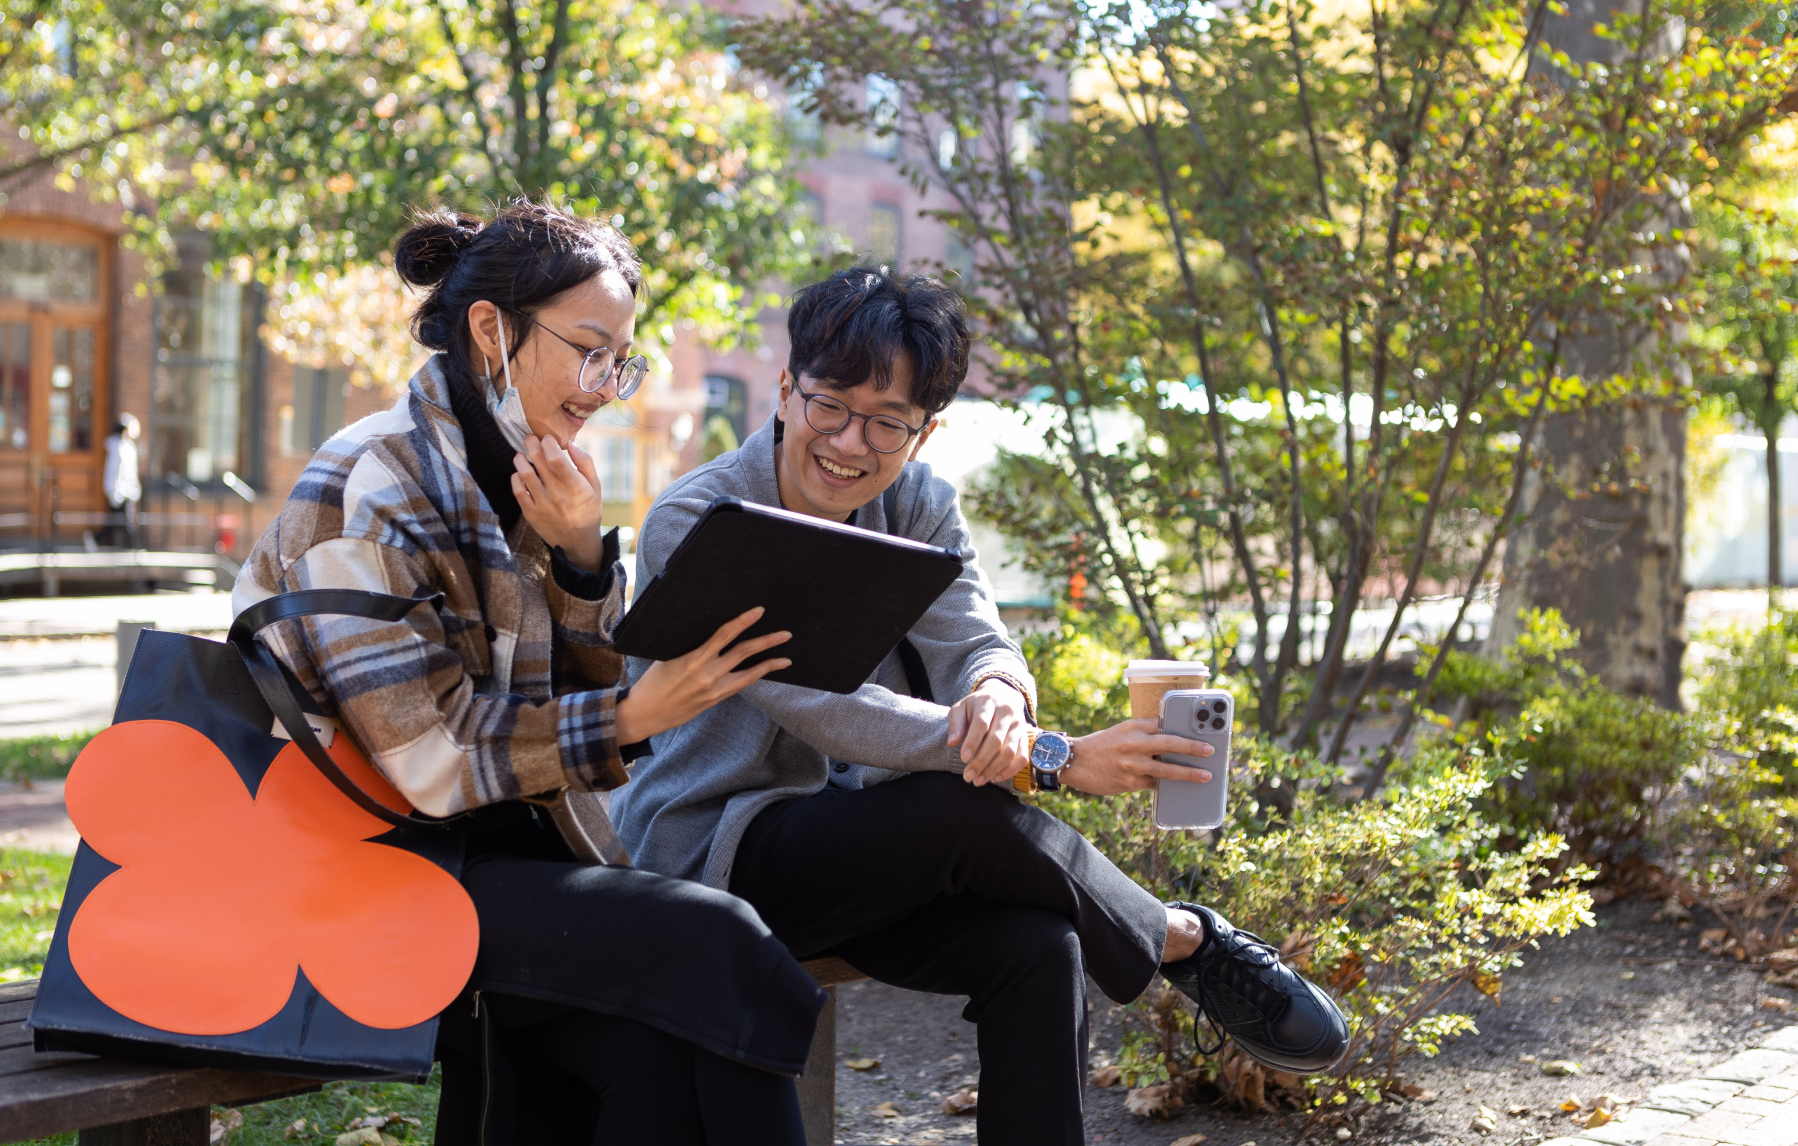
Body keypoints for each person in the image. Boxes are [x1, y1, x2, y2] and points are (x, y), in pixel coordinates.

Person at [612, 266, 1350, 1144]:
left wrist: (1000, 696)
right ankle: (1181, 939)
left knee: (1042, 949)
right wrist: (1055, 756)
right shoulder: (700, 522)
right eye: (831, 406)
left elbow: (976, 638)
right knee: (952, 808)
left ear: (924, 432)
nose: (851, 442)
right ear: (786, 387)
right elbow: (825, 707)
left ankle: (1163, 942)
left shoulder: (917, 503)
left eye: (888, 422)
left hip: (868, 851)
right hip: (717, 854)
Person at [232, 202, 824, 1146]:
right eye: (590, 351)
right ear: (490, 331)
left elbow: (555, 700)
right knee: (717, 940)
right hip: (364, 872)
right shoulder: (371, 487)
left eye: (620, 360)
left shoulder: (520, 476)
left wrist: (584, 558)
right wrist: (629, 716)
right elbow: (425, 761)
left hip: (500, 863)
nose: (605, 388)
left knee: (659, 1054)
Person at [101, 414, 140, 548]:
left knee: (118, 522)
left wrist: (134, 488)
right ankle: (131, 549)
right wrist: (114, 490)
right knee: (124, 522)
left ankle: (95, 539)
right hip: (119, 490)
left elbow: (131, 471)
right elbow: (115, 470)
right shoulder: (118, 448)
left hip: (127, 491)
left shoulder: (128, 447)